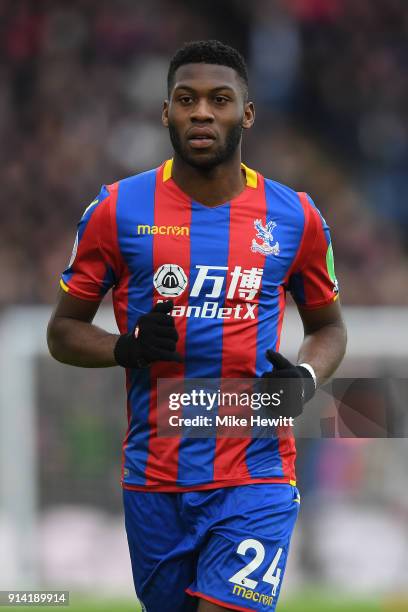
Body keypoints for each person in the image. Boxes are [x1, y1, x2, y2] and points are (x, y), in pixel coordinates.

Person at [47, 40, 347, 612]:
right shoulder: (117, 210)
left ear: (247, 114)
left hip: (256, 469)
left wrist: (305, 377)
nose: (202, 112)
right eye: (186, 100)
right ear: (166, 112)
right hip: (155, 477)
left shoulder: (295, 217)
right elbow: (62, 333)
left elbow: (329, 327)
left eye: (219, 100)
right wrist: (124, 348)